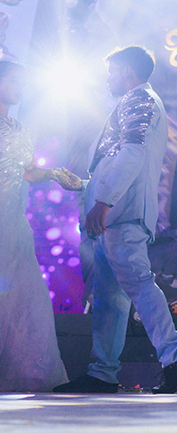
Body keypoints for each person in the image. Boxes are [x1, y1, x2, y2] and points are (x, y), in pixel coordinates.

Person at [54, 46, 177, 394]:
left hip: (122, 213)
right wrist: (86, 187)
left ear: (128, 71)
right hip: (115, 213)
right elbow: (119, 160)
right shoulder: (133, 102)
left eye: (112, 71)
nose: (107, 79)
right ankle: (102, 371)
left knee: (137, 282)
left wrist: (103, 202)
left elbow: (133, 154)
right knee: (109, 297)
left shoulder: (139, 99)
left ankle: (176, 352)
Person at [0, 60, 78, 392]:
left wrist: (54, 174)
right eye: (13, 80)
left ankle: (25, 373)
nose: (20, 86)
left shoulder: (20, 129)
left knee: (23, 297)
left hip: (13, 223)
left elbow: (28, 172)